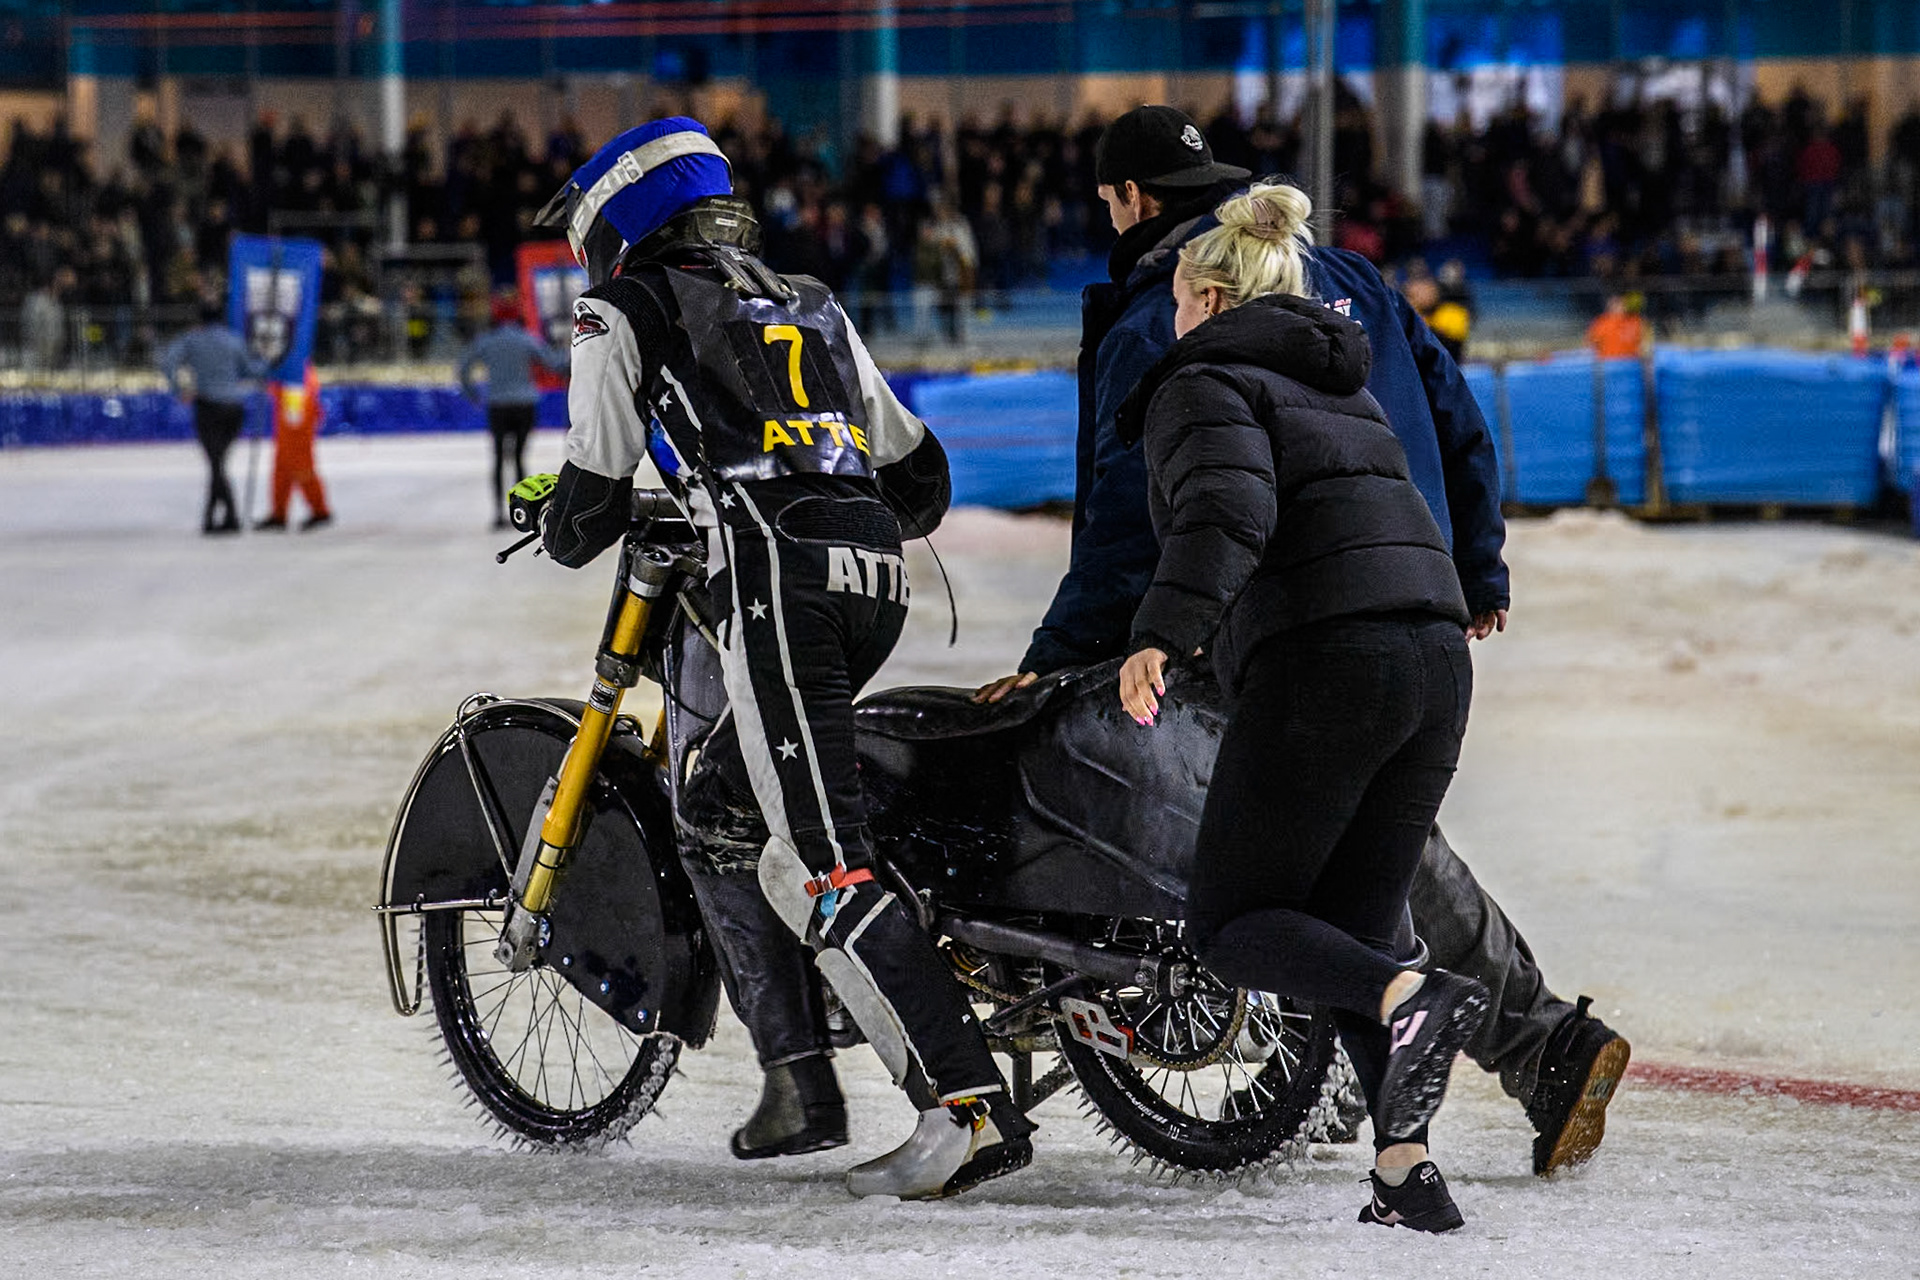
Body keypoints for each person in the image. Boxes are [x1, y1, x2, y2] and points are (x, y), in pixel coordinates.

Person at [974, 106, 1630, 1179]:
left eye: (1106, 201)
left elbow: (1141, 523)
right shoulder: (1350, 278)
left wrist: (1064, 657)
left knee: (1325, 862)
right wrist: (1473, 562)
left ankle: (1541, 1040)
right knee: (1352, 846)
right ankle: (1370, 1073)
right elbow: (1461, 413)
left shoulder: (1168, 317)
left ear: (1136, 202)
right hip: (1409, 591)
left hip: (1298, 612)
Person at [530, 117, 1033, 1201]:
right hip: (876, 583)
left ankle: (967, 1107)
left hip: (775, 585)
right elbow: (921, 479)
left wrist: (561, 504)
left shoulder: (620, 310)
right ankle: (857, 1028)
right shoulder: (813, 299)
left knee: (819, 857)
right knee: (730, 814)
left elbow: (583, 517)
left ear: (622, 226)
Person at [1118, 181, 1488, 1233]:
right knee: (1355, 930)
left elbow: (1226, 510)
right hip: (1432, 662)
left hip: (1332, 662)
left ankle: (1408, 1000)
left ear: (1205, 294)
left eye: (1180, 299)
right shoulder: (1340, 386)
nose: (1172, 319)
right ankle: (1407, 1168)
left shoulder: (1203, 381)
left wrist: (1161, 631)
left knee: (1235, 925)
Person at [459, 293, 570, 528]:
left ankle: (499, 512)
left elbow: (464, 367)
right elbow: (553, 364)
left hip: (498, 404)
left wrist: (473, 394)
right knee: (519, 457)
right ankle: (522, 509)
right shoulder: (526, 339)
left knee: (499, 457)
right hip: (524, 404)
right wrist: (568, 354)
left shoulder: (486, 341)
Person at [159, 299, 267, 534]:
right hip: (234, 408)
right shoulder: (234, 340)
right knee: (218, 463)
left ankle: (229, 517)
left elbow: (168, 361)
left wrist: (179, 390)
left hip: (209, 408)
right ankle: (215, 517)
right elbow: (252, 370)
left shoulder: (192, 340)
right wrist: (266, 360)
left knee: (216, 464)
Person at [256, 362, 333, 531]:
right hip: (288, 418)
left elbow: (301, 391)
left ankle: (320, 510)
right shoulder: (286, 363)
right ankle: (279, 513)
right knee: (282, 467)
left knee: (301, 466)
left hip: (296, 417)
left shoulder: (296, 365)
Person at [1587, 292, 1646, 359]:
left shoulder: (1635, 321)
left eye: (1622, 304)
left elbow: (1644, 345)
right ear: (1609, 305)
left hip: (1631, 364)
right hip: (1611, 365)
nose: (1620, 307)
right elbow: (1592, 346)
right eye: (1616, 304)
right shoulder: (1601, 323)